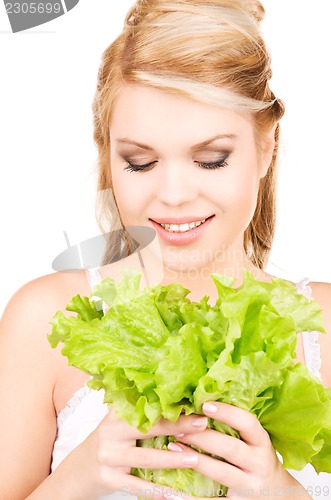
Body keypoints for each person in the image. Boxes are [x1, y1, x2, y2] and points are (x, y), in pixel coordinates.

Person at [0, 0, 330, 498]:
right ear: (107, 155)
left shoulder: (322, 324)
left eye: (211, 160)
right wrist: (83, 473)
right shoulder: (42, 317)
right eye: (140, 162)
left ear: (266, 148)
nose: (174, 195)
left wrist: (276, 488)